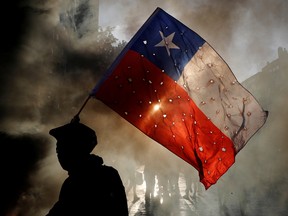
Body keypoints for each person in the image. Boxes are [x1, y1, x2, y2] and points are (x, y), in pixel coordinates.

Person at [46, 119, 128, 216]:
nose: (59, 155)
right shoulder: (110, 174)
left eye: (62, 149)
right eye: (57, 151)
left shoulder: (74, 183)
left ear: (76, 150)